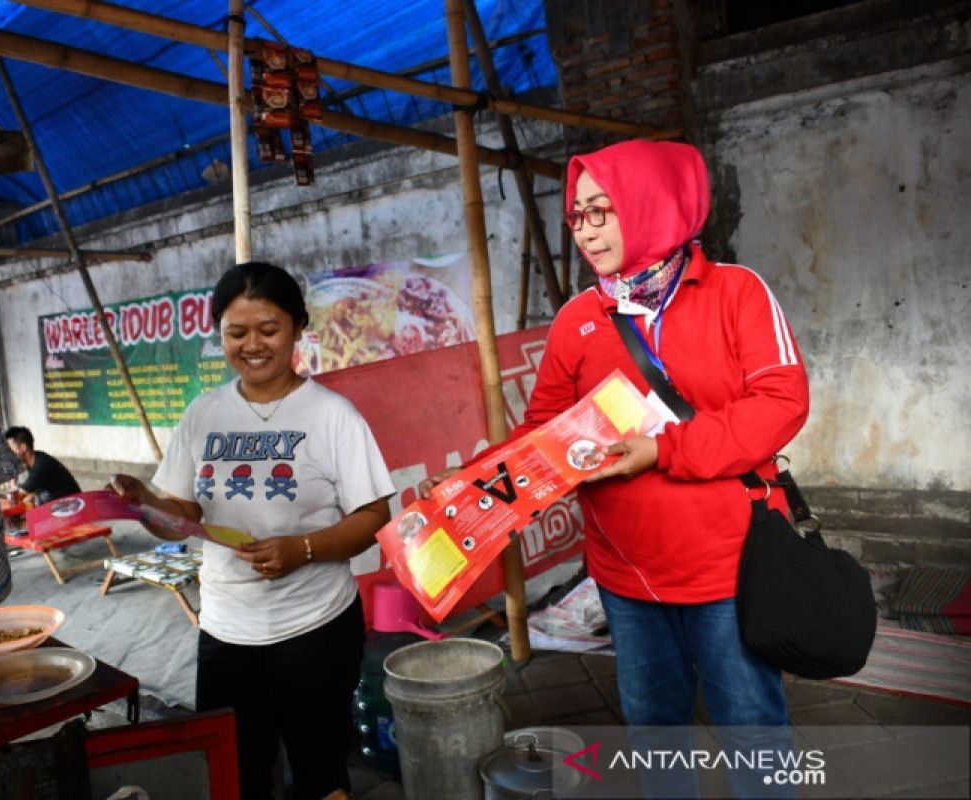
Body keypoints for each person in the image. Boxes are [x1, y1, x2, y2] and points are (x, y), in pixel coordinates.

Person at [421, 140, 809, 797]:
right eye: (578, 216)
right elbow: (540, 436)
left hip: (729, 566)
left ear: (652, 205)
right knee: (655, 730)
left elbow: (780, 404)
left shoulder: (736, 293)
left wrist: (664, 451)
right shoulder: (580, 319)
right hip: (627, 576)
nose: (587, 230)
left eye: (603, 210)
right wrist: (472, 485)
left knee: (752, 725)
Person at [111, 262, 395, 800]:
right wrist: (142, 502)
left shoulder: (333, 416)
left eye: (268, 329)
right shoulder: (203, 415)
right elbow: (181, 511)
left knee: (319, 773)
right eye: (236, 333)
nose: (253, 345)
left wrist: (304, 549)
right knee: (236, 773)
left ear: (296, 328)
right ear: (219, 334)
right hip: (225, 631)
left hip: (315, 627)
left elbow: (371, 515)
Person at [4, 426, 82, 506]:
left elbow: (16, 495)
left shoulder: (41, 465)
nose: (10, 453)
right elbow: (32, 489)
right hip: (57, 498)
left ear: (23, 447)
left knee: (25, 503)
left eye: (11, 448)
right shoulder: (34, 459)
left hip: (73, 504)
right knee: (27, 500)